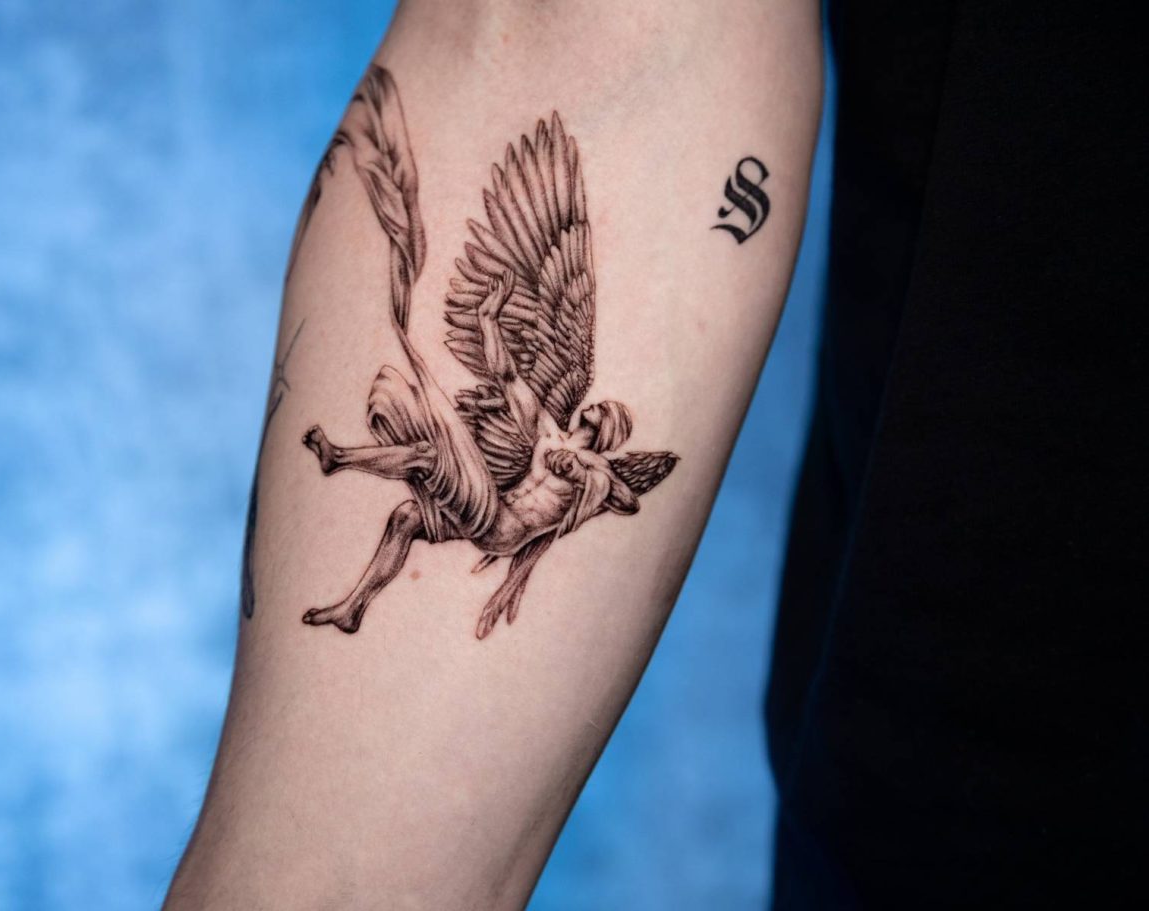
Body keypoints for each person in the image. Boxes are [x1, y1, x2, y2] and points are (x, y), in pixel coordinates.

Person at [167, 1, 1146, 908]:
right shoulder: (566, 431)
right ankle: (349, 502)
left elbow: (606, 486)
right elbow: (597, 39)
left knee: (421, 467)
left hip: (954, 754)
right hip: (959, 795)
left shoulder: (589, 468)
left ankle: (349, 474)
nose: (593, 426)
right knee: (416, 471)